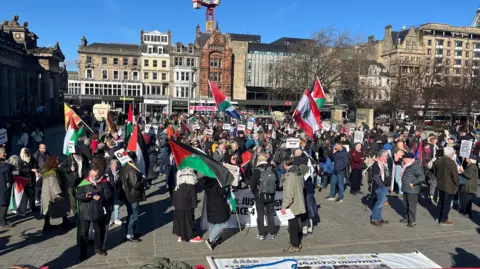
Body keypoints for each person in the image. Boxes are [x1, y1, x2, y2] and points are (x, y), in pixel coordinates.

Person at [76, 167, 112, 260]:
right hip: (86, 211)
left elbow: (109, 195)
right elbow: (78, 196)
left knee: (99, 231)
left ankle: (98, 248)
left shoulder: (104, 182)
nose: (93, 178)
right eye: (92, 175)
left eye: (95, 176)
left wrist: (100, 197)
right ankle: (83, 253)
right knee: (84, 233)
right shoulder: (84, 183)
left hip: (98, 210)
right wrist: (85, 196)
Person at [280, 157, 306, 253]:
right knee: (294, 224)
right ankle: (293, 243)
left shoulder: (291, 176)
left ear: (285, 164)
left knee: (293, 226)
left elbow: (289, 194)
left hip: (293, 205)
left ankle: (295, 245)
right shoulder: (298, 172)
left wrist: (284, 206)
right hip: (298, 202)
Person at [41, 156, 72, 232]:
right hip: (54, 193)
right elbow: (54, 183)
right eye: (57, 159)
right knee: (63, 207)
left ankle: (47, 224)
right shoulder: (53, 172)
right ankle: (64, 223)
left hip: (46, 194)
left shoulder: (46, 171)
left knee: (47, 210)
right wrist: (58, 193)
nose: (59, 160)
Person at [249, 154, 276, 240]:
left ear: (258, 161)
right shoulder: (271, 168)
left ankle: (261, 234)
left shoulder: (257, 170)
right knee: (270, 213)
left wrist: (254, 192)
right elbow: (277, 181)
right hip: (271, 194)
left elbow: (252, 184)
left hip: (260, 195)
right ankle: (272, 233)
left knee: (260, 214)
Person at [119, 152, 145, 242]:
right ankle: (129, 234)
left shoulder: (124, 167)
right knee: (133, 215)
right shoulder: (132, 169)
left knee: (131, 214)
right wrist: (143, 179)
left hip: (127, 195)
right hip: (132, 195)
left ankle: (130, 232)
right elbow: (136, 184)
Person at [172, 168, 203, 243]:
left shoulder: (179, 174)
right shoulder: (190, 178)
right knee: (189, 219)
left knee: (179, 219)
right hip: (187, 203)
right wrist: (194, 205)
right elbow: (193, 194)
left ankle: (180, 235)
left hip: (177, 202)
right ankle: (191, 236)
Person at [202, 176, 230, 251]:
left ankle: (214, 239)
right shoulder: (216, 182)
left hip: (210, 204)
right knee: (222, 224)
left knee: (214, 223)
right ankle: (210, 239)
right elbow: (222, 192)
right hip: (218, 204)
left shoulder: (207, 182)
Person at [433, 146, 459, 226]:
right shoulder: (451, 163)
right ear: (451, 154)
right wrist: (457, 183)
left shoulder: (438, 161)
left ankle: (439, 217)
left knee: (441, 201)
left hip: (440, 184)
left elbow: (434, 172)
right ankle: (443, 219)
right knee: (446, 203)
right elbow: (455, 176)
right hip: (449, 185)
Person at [399, 152, 425, 227]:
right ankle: (407, 218)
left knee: (411, 206)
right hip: (406, 188)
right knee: (405, 204)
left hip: (412, 189)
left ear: (408, 159)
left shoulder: (415, 166)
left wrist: (413, 183)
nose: (403, 160)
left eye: (404, 158)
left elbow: (421, 177)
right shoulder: (407, 165)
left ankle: (412, 221)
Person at [370, 149, 391, 227]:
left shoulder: (384, 163)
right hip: (380, 187)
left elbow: (387, 174)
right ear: (382, 156)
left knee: (381, 203)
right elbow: (376, 177)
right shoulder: (376, 164)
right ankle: (374, 219)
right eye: (386, 155)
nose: (387, 157)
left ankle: (379, 217)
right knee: (379, 203)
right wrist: (382, 186)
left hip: (386, 186)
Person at [19, 148, 39, 213]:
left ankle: (32, 207)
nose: (26, 154)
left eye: (27, 153)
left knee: (32, 194)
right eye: (25, 153)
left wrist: (36, 171)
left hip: (31, 179)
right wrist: (30, 170)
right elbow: (20, 170)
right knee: (24, 195)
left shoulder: (32, 158)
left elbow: (35, 166)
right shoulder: (20, 160)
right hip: (23, 180)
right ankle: (22, 209)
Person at [458, 154, 478, 219]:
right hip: (467, 185)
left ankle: (468, 213)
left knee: (467, 200)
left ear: (470, 159)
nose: (466, 158)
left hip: (469, 186)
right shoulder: (469, 165)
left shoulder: (472, 166)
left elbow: (469, 176)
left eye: (467, 157)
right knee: (465, 199)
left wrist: (462, 171)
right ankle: (465, 211)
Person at [0, 147, 13, 228]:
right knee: (5, 203)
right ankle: (2, 221)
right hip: (4, 186)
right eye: (4, 152)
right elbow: (9, 178)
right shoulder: (6, 166)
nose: (6, 154)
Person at [107, 159, 122, 226]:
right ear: (110, 166)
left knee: (116, 205)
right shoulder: (107, 173)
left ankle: (116, 219)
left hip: (116, 190)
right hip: (109, 191)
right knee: (109, 206)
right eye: (113, 165)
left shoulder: (119, 171)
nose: (115, 167)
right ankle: (109, 220)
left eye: (116, 165)